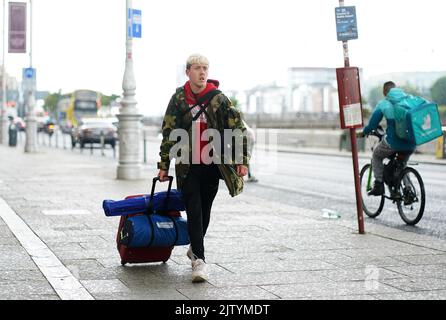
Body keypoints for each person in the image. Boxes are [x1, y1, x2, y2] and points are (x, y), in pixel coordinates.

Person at [157, 54, 249, 283]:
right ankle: (199, 261)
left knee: (205, 212)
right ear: (187, 71)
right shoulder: (178, 98)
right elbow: (169, 132)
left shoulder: (218, 98)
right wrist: (164, 166)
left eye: (205, 68)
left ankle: (194, 248)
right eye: (197, 68)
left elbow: (237, 128)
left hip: (211, 163)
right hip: (187, 166)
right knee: (194, 210)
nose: (202, 72)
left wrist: (241, 160)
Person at [362, 81, 420, 196]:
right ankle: (408, 190)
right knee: (402, 165)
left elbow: (372, 125)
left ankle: (378, 184)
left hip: (393, 142)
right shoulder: (408, 100)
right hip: (411, 143)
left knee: (377, 156)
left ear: (385, 92)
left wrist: (364, 132)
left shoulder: (384, 104)